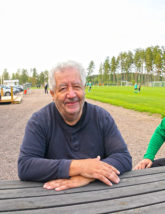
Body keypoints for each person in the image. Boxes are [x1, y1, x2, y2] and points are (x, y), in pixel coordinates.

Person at [18, 60, 132, 191]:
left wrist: (88, 176)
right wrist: (83, 167)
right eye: (63, 88)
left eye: (76, 87)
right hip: (53, 199)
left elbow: (123, 157)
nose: (71, 95)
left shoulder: (101, 117)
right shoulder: (39, 121)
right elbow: (26, 166)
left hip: (99, 196)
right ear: (52, 94)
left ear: (84, 88)